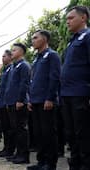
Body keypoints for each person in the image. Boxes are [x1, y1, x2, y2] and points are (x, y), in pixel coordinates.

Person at [60, 6, 90, 170]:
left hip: (81, 93)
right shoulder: (72, 41)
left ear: (83, 18)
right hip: (67, 94)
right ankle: (76, 164)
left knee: (83, 134)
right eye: (66, 19)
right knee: (71, 134)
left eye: (71, 18)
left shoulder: (87, 36)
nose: (67, 22)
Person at [27, 30, 61, 170]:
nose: (32, 40)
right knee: (38, 133)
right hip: (35, 100)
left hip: (46, 101)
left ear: (45, 39)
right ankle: (41, 162)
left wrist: (50, 98)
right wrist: (30, 99)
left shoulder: (52, 55)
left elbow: (54, 78)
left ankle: (50, 163)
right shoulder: (36, 58)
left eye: (36, 38)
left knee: (48, 132)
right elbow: (32, 81)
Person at [5, 43, 30, 164]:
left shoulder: (23, 65)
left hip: (19, 102)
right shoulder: (15, 67)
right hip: (11, 102)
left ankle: (24, 155)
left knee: (21, 130)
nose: (12, 52)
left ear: (21, 52)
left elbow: (24, 84)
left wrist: (20, 100)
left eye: (14, 50)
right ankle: (18, 153)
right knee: (15, 129)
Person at [0, 50, 14, 158]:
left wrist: (7, 101)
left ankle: (10, 149)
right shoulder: (5, 70)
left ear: (11, 57)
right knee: (5, 128)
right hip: (1, 102)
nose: (3, 58)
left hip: (7, 102)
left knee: (10, 128)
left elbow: (9, 88)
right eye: (2, 56)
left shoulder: (12, 69)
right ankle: (6, 148)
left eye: (4, 56)